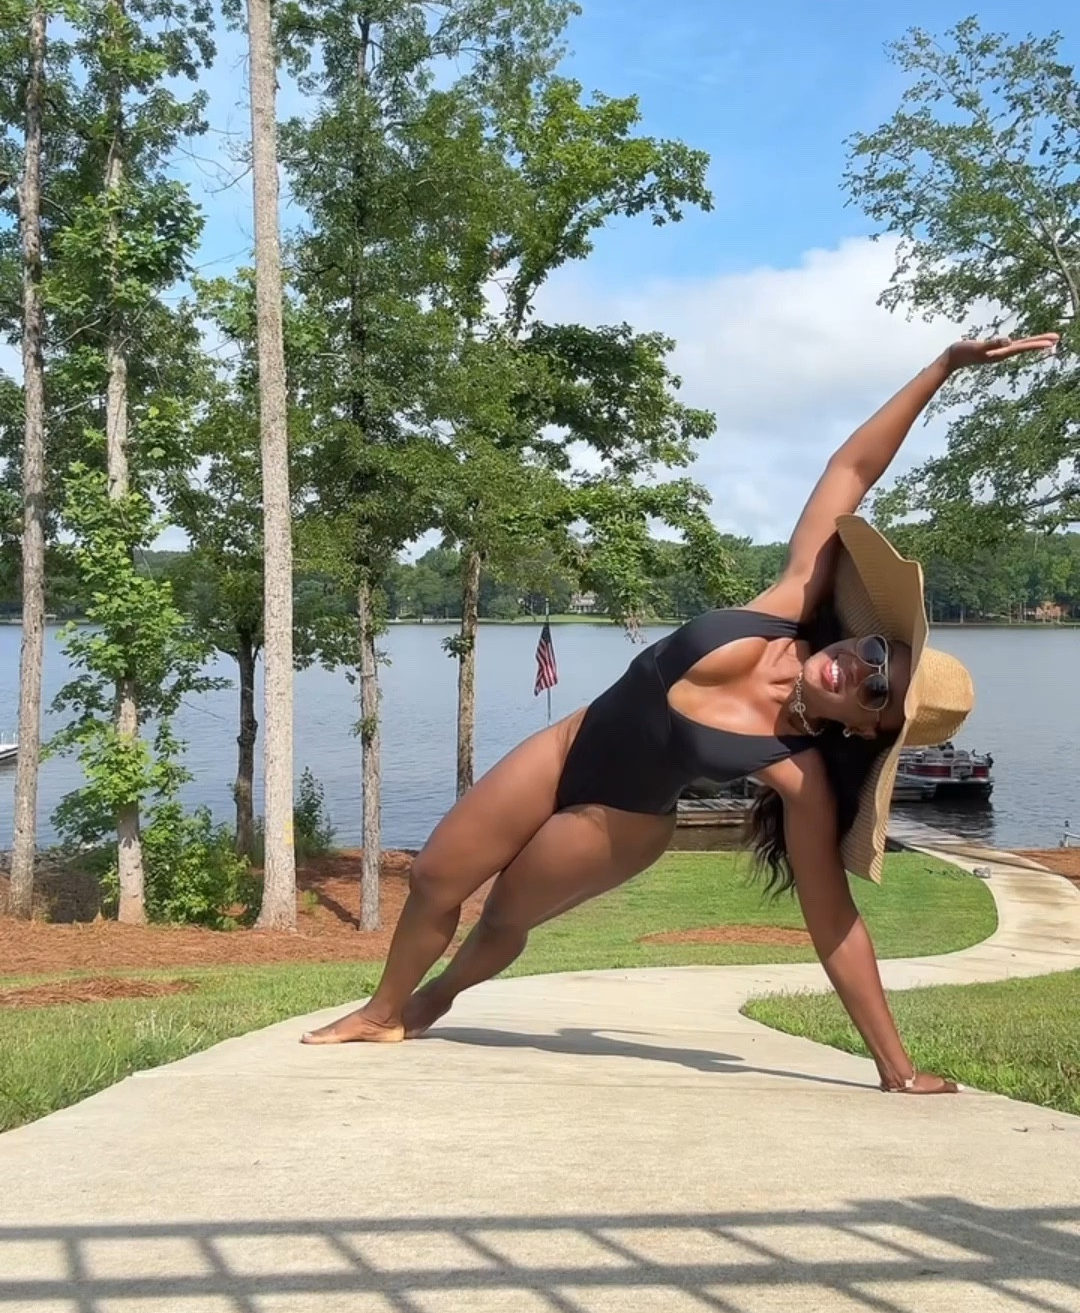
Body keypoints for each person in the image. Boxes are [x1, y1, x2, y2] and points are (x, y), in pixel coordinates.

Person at [303, 332, 1057, 1092]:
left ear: (867, 728)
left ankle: (434, 1000)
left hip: (619, 819)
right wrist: (941, 369)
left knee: (502, 914)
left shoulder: (797, 776)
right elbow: (850, 471)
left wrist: (897, 1068)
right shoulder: (786, 605)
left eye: (876, 688)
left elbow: (833, 924)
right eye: (872, 650)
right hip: (569, 746)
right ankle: (383, 1009)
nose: (858, 667)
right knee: (435, 875)